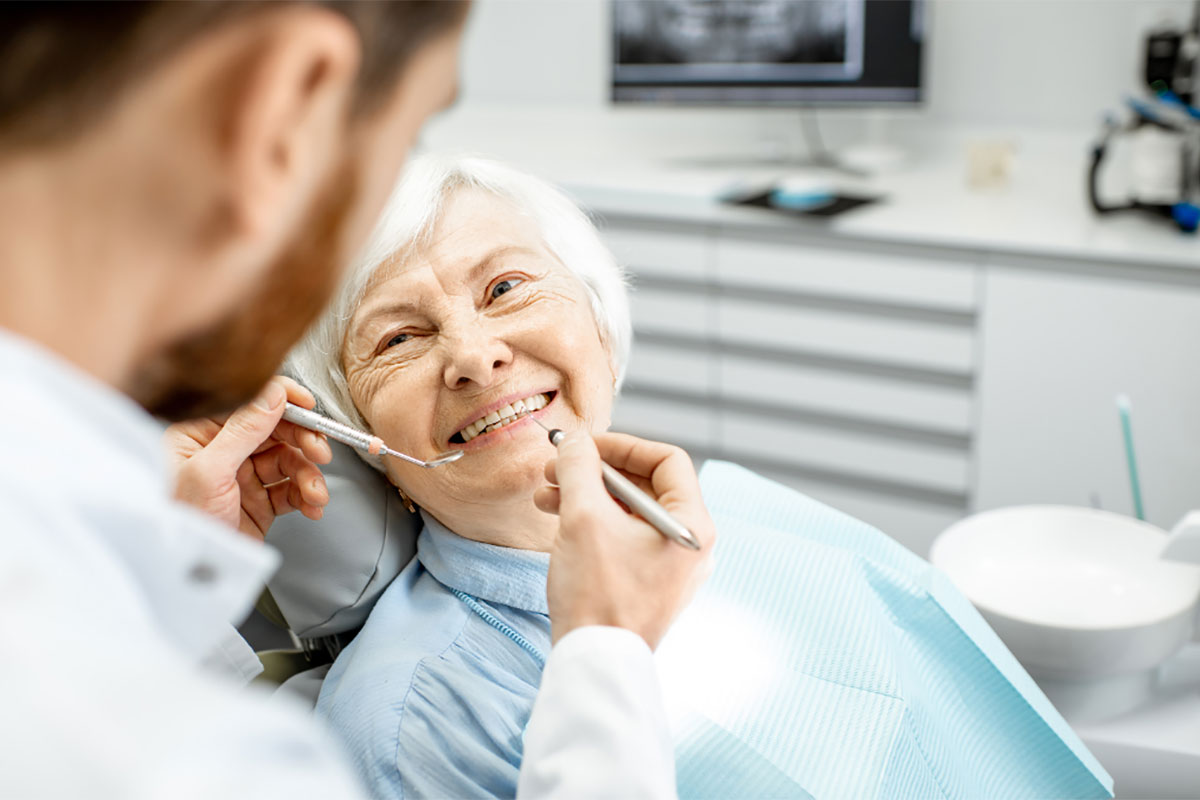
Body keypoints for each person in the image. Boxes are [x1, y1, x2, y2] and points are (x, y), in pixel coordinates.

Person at [0, 4, 713, 797]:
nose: (475, 356)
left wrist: (163, 578)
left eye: (507, 288)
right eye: (412, 129)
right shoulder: (391, 729)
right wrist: (606, 654)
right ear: (289, 101)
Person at [288, 155, 1114, 800]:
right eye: (397, 339)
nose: (473, 355)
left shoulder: (759, 520)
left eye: (506, 288)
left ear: (601, 329)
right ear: (362, 439)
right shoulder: (410, 720)